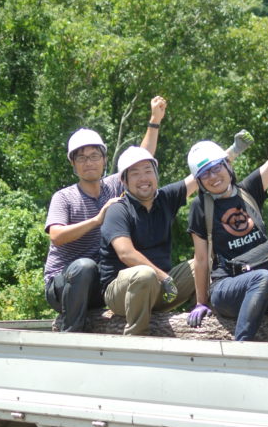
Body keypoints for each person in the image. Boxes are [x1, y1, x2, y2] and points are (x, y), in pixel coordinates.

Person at [186, 97, 268, 341]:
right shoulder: (201, 207)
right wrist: (200, 302)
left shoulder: (248, 191)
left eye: (216, 168)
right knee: (263, 278)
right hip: (228, 288)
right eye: (205, 174)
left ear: (227, 166)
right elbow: (201, 258)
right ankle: (243, 347)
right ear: (199, 181)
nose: (213, 177)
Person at [98, 132, 253, 336]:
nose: (143, 178)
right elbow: (126, 253)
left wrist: (233, 151)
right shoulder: (119, 209)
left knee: (204, 262)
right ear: (124, 181)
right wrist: (163, 277)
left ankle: (208, 313)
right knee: (144, 274)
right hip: (123, 293)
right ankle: (136, 338)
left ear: (156, 173)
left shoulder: (164, 198)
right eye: (135, 174)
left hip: (161, 288)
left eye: (147, 170)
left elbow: (201, 175)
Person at [44, 96, 167, 332]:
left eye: (94, 156)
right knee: (85, 266)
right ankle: (71, 335)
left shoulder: (114, 186)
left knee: (124, 270)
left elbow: (141, 157)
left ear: (104, 160)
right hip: (64, 285)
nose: (88, 162)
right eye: (81, 157)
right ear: (73, 164)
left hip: (99, 284)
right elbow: (56, 236)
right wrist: (96, 220)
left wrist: (154, 120)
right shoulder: (64, 197)